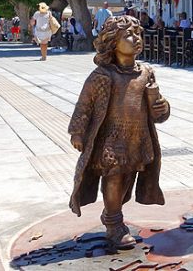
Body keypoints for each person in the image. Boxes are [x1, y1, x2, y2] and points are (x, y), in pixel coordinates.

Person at [68, 16, 170, 249]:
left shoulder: (146, 72)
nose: (136, 39)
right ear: (113, 42)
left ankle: (112, 213)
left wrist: (162, 107)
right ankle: (114, 223)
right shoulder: (103, 76)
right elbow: (84, 105)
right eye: (128, 35)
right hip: (111, 140)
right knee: (114, 177)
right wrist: (77, 132)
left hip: (138, 137)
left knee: (127, 180)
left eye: (138, 34)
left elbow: (157, 112)